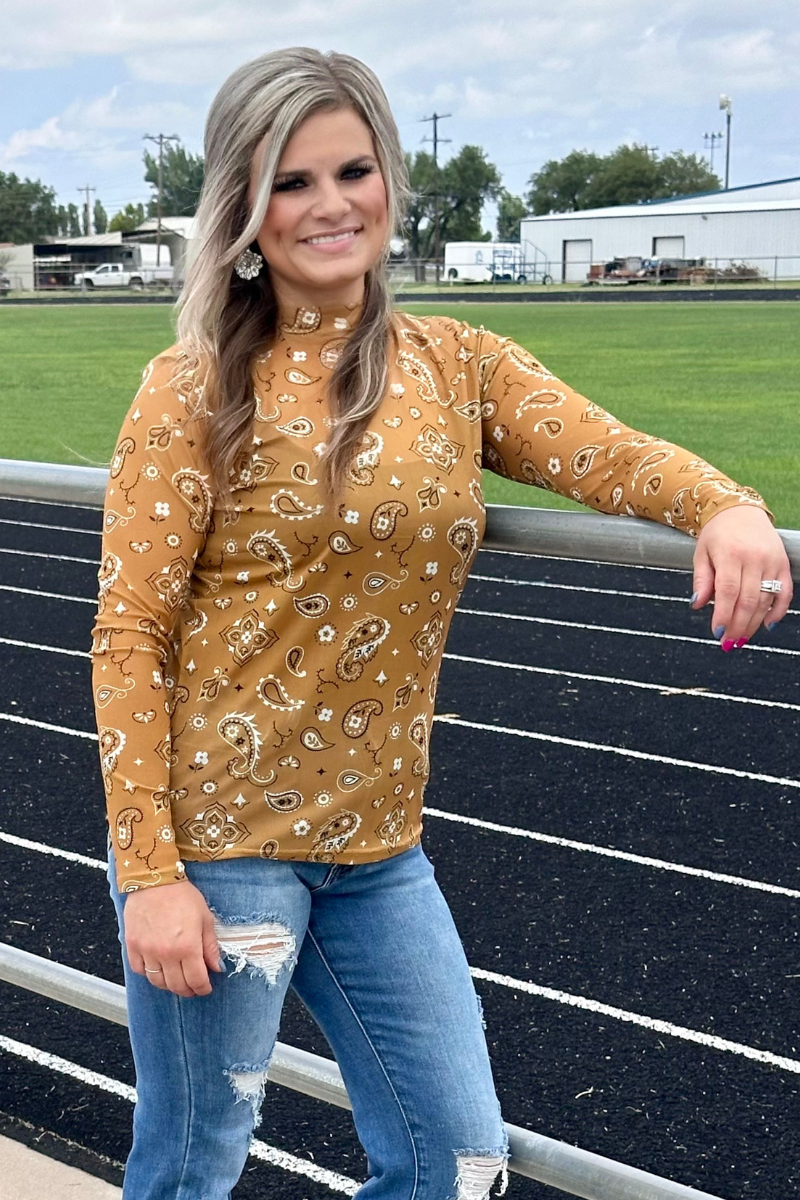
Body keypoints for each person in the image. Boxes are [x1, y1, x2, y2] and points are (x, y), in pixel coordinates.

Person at [91, 46, 792, 1200]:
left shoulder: (454, 363)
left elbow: (603, 453)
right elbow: (128, 634)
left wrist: (723, 503)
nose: (329, 205)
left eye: (351, 170)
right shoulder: (194, 385)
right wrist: (151, 873)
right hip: (220, 851)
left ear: (389, 180)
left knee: (455, 1160)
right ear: (243, 209)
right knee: (189, 1171)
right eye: (289, 181)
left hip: (379, 852)